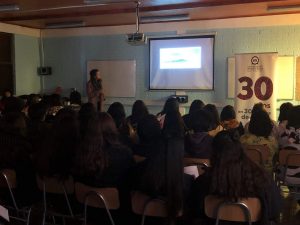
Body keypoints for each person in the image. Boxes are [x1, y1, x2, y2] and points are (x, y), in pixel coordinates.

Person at [189, 130, 282, 225]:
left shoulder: (203, 182)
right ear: (242, 151)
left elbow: (194, 212)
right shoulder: (262, 179)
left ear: (213, 153)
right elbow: (274, 210)